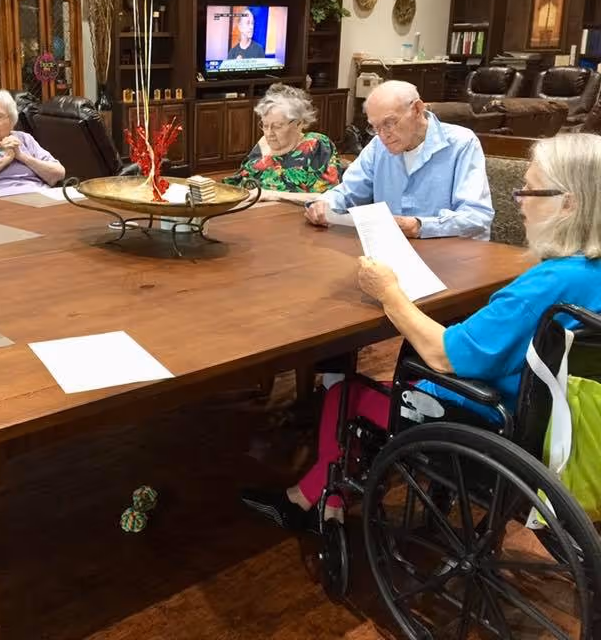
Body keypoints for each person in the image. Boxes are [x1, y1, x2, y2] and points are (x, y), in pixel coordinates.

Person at [243, 133, 601, 529]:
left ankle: (309, 500)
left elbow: (444, 355)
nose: (518, 200)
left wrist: (389, 292)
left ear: (569, 203)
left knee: (345, 392)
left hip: (497, 420)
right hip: (563, 417)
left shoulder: (548, 284)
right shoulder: (588, 276)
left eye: (530, 190)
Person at [305, 80, 494, 240]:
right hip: (395, 251)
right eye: (375, 127)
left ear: (417, 109)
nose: (383, 135)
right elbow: (348, 192)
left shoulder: (461, 143)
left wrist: (420, 226)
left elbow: (477, 216)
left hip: (453, 256)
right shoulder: (378, 146)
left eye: (389, 123)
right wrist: (325, 204)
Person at [224, 84, 340, 201]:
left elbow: (328, 197)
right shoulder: (263, 142)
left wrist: (271, 195)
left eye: (277, 126)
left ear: (299, 123)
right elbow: (239, 182)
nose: (269, 133)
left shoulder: (316, 145)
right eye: (265, 125)